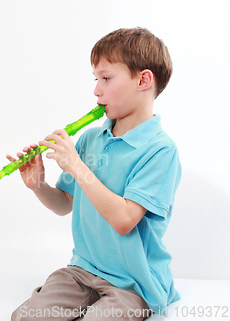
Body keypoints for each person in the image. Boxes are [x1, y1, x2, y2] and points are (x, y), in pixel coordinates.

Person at [10, 28, 181, 320]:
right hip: (82, 270)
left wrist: (76, 165)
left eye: (106, 78)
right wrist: (39, 186)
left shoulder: (160, 150)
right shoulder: (91, 138)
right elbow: (65, 204)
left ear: (143, 80)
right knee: (25, 317)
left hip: (134, 282)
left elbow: (124, 220)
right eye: (96, 79)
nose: (96, 90)